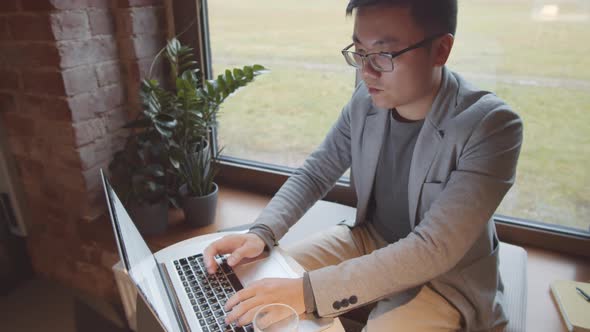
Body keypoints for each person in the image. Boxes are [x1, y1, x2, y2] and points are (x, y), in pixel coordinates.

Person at [204, 0, 523, 331]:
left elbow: (434, 248)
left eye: (384, 55)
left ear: (440, 49)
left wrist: (306, 292)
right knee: (254, 282)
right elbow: (316, 172)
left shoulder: (492, 126)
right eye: (359, 51)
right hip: (370, 240)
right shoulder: (366, 100)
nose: (366, 72)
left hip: (444, 277)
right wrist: (261, 233)